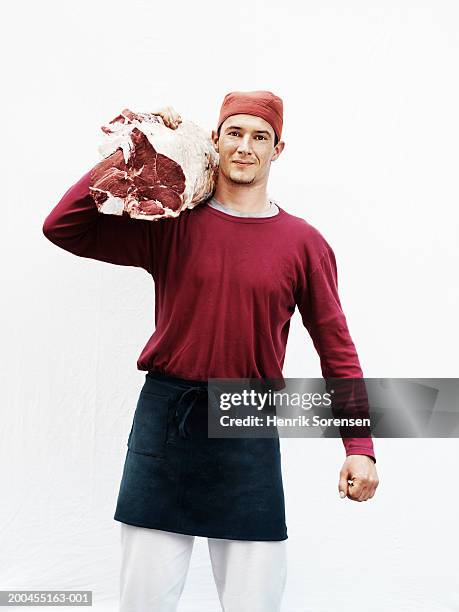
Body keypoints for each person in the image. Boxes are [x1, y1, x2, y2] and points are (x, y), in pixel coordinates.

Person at [42, 90, 379, 612]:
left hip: (247, 421)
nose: (245, 147)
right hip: (165, 419)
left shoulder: (303, 243)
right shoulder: (172, 224)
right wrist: (142, 143)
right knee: (143, 602)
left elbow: (337, 351)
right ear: (215, 141)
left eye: (259, 137)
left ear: (277, 149)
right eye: (234, 134)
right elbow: (63, 227)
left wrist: (359, 447)